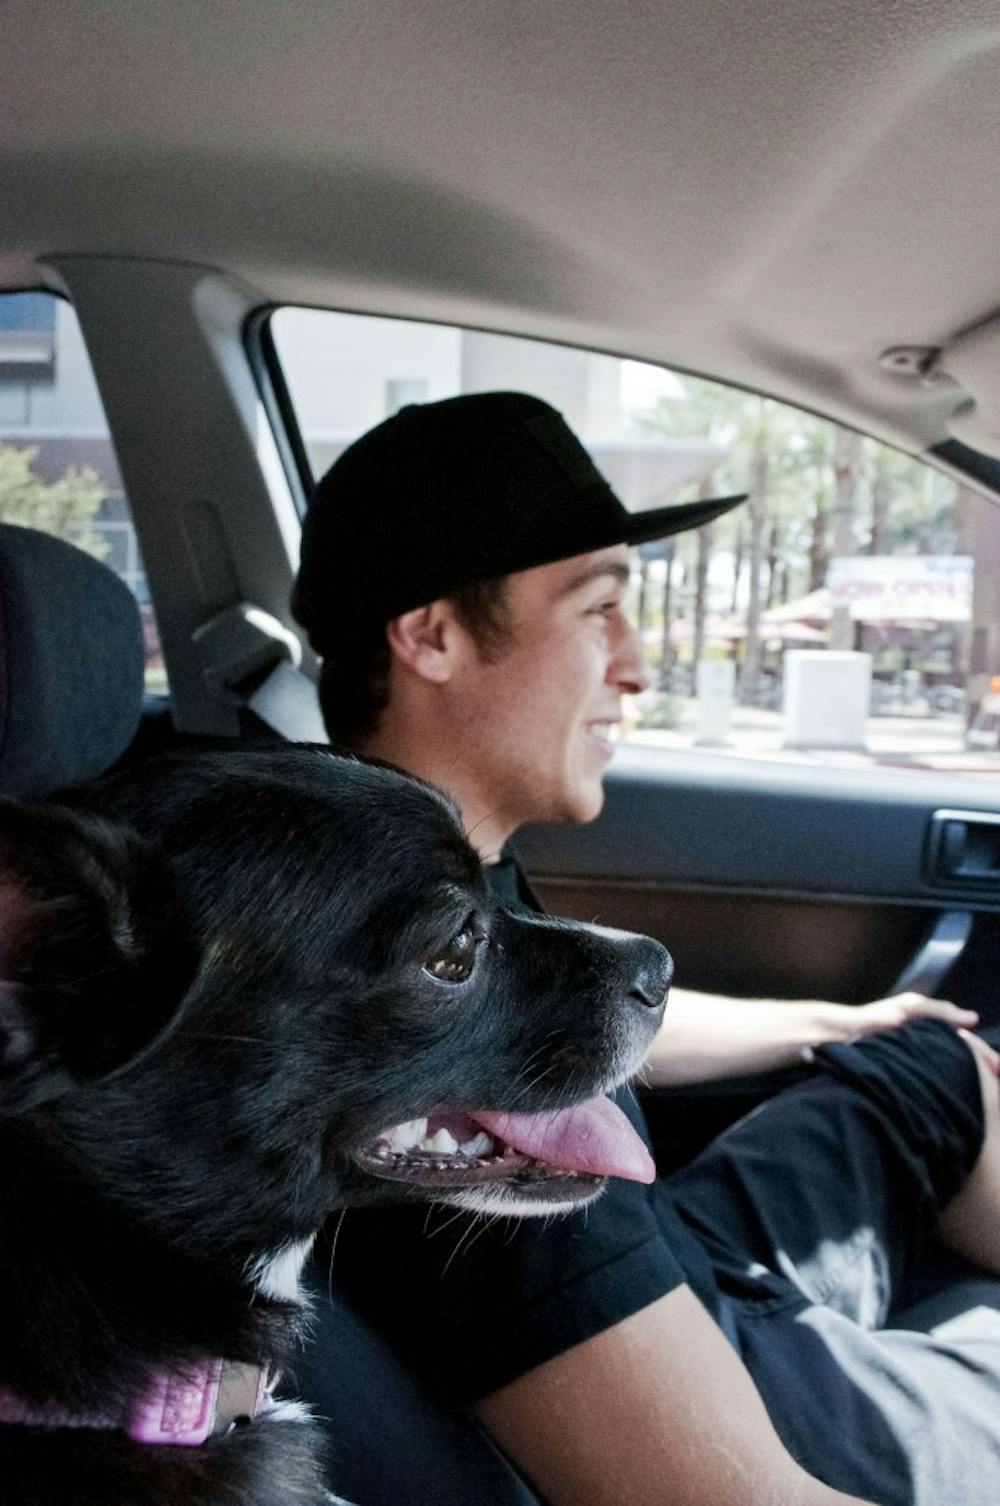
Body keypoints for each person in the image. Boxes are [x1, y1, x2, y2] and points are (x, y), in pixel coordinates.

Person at [292, 391, 1000, 1506]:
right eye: (598, 612)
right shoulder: (423, 1058)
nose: (637, 665)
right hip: (711, 1372)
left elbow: (603, 1043)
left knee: (934, 1067)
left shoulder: (432, 869)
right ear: (429, 635)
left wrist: (838, 1021)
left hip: (677, 1247)